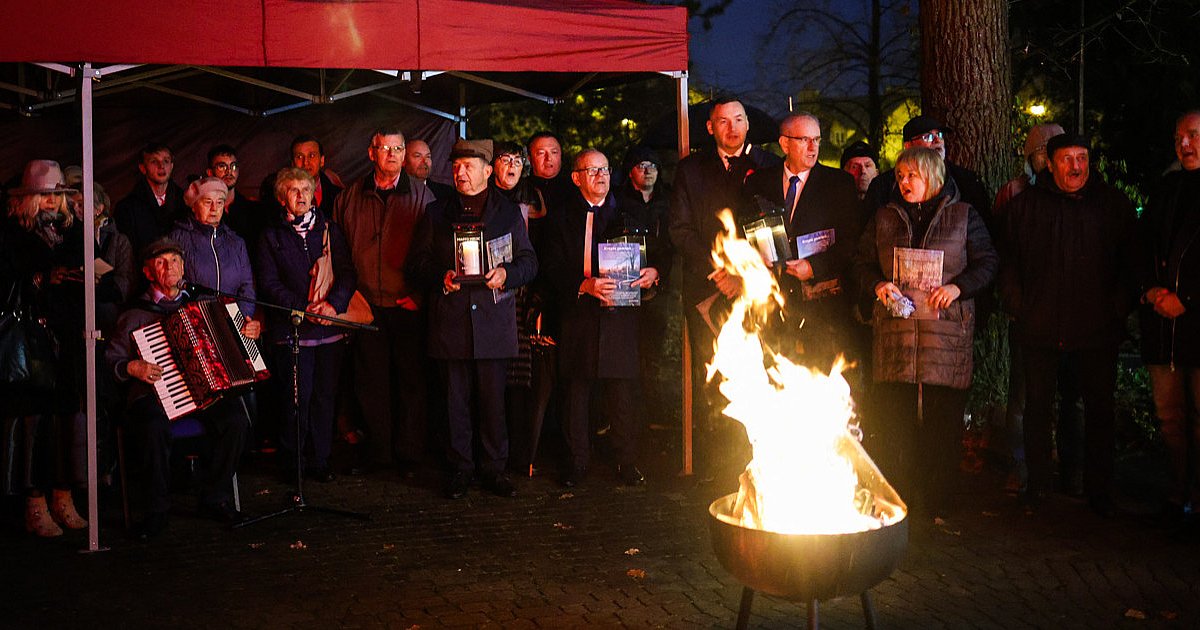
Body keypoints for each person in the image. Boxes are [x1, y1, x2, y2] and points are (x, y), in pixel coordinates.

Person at [853, 146, 998, 516]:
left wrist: (957, 288)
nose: (904, 182)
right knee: (895, 424)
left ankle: (937, 504)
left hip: (944, 339)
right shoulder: (884, 218)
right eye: (900, 175)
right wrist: (877, 286)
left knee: (941, 426)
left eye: (912, 175)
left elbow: (988, 262)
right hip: (897, 338)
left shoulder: (964, 216)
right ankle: (896, 501)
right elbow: (862, 263)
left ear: (933, 177)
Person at [1001, 134, 1139, 516]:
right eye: (1068, 159)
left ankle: (1098, 490)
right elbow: (1007, 261)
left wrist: (1116, 308)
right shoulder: (1025, 207)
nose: (1076, 167)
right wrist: (1019, 305)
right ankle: (1039, 488)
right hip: (1040, 325)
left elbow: (1130, 262)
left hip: (1096, 329)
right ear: (1050, 162)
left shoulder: (1111, 205)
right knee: (1037, 409)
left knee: (1098, 409)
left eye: (1082, 158)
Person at [407, 139, 537, 499]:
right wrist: (441, 277)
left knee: (493, 402)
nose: (460, 173)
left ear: (487, 171)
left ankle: (494, 469)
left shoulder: (509, 213)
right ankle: (460, 468)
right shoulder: (436, 213)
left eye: (468, 167)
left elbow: (530, 262)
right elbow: (416, 265)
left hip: (493, 324)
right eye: (455, 167)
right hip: (451, 322)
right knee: (455, 403)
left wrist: (507, 274)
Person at [106, 238, 251, 539]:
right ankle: (156, 510)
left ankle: (214, 496)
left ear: (184, 267)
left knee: (236, 419)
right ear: (148, 272)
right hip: (154, 395)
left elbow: (237, 344)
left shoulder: (202, 306)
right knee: (152, 426)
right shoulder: (134, 314)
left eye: (174, 260)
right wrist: (133, 367)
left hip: (203, 392)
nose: (169, 267)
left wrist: (248, 331)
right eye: (161, 262)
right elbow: (112, 360)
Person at [668, 97, 782, 476]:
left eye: (738, 119)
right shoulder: (691, 170)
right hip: (707, 289)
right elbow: (680, 231)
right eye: (723, 121)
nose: (732, 128)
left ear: (748, 123)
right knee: (716, 378)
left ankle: (765, 464)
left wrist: (745, 276)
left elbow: (776, 230)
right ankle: (718, 470)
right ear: (709, 128)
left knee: (766, 374)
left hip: (759, 291)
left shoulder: (769, 166)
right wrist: (720, 272)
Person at [541, 149, 659, 487]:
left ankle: (626, 461)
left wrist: (654, 272)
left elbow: (658, 255)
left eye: (605, 169)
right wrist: (584, 284)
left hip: (621, 315)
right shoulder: (560, 219)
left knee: (623, 391)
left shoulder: (630, 212)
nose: (601, 176)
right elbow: (549, 268)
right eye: (591, 170)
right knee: (576, 392)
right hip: (578, 313)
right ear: (576, 178)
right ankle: (577, 462)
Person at [334, 127, 436, 475]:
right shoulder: (348, 198)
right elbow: (337, 252)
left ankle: (409, 455)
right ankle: (379, 454)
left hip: (407, 302)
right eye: (384, 148)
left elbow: (434, 254)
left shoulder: (424, 196)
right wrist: (350, 296)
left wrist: (418, 294)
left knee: (411, 381)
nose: (391, 154)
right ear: (370, 152)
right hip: (365, 304)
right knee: (370, 381)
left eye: (398, 148)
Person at [2, 160, 89, 537]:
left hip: (66, 334)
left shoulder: (72, 230)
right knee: (33, 421)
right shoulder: (11, 234)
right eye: (46, 195)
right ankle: (32, 500)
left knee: (66, 417)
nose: (53, 202)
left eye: (58, 194)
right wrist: (40, 278)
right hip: (29, 338)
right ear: (28, 199)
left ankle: (62, 493)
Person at [992, 123, 1080, 495]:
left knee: (1071, 397)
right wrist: (1015, 303)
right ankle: (1022, 466)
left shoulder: (1080, 193)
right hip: (1028, 315)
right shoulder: (1014, 194)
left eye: (1052, 151)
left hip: (1074, 317)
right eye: (1041, 152)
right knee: (1024, 398)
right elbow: (1002, 252)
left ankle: (1073, 471)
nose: (1047, 159)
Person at [255, 168, 357, 483]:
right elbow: (268, 283)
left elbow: (347, 273)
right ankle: (292, 462)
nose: (301, 195)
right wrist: (301, 308)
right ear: (281, 196)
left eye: (305, 188)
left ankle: (320, 459)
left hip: (328, 328)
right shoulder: (270, 235)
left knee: (325, 397)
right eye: (293, 189)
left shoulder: (330, 229)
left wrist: (332, 305)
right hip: (292, 331)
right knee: (295, 397)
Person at [743, 113, 863, 374]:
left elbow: (852, 241)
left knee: (820, 382)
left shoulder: (838, 184)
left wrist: (814, 267)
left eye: (817, 140)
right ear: (784, 144)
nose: (813, 147)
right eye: (805, 139)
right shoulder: (757, 183)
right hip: (773, 306)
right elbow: (744, 233)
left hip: (821, 309)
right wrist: (755, 258)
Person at [1138, 110, 1200, 521]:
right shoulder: (1166, 189)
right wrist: (1149, 289)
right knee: (1170, 418)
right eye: (1179, 137)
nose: (1185, 144)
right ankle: (1179, 492)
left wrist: (1188, 299)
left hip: (1194, 324)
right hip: (1163, 327)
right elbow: (1141, 244)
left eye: (1193, 135)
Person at [866, 115, 992, 229]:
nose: (937, 140)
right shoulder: (884, 185)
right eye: (928, 137)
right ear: (908, 146)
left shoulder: (966, 181)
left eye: (940, 135)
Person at [167, 177, 258, 320]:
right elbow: (170, 284)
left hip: (231, 324)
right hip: (194, 322)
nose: (214, 209)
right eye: (208, 202)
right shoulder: (177, 239)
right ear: (194, 205)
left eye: (220, 203)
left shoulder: (236, 243)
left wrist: (240, 319)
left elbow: (247, 288)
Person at [113, 142, 189, 257]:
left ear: (172, 166)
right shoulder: (127, 208)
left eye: (166, 161)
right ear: (143, 168)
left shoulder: (186, 202)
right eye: (154, 161)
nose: (161, 166)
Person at [261, 135, 344, 218]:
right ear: (292, 163)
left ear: (322, 161)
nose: (305, 162)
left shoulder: (339, 196)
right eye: (299, 157)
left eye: (311, 156)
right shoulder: (276, 196)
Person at [205, 144, 268, 252]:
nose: (229, 172)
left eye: (233, 166)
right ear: (210, 172)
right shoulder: (202, 212)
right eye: (222, 166)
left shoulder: (254, 211)